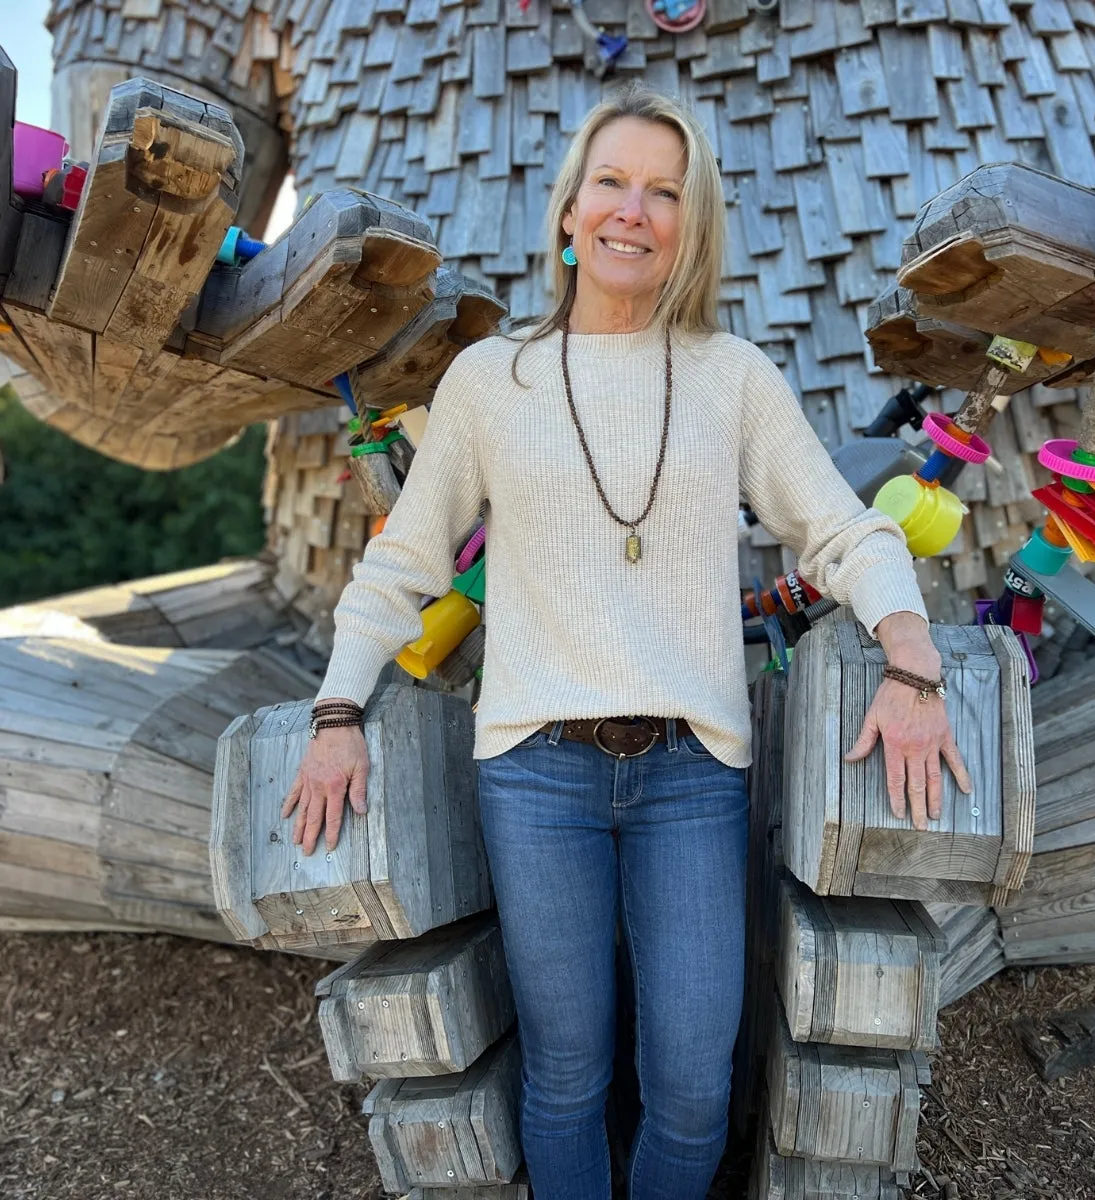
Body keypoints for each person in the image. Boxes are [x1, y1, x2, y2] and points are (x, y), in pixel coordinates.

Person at [283, 83, 971, 1200]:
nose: (632, 211)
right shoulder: (488, 381)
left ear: (689, 227)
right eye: (610, 183)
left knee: (693, 1082)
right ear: (567, 212)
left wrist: (910, 654)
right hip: (534, 774)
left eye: (664, 193)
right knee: (565, 1075)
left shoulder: (732, 377)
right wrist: (335, 712)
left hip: (694, 777)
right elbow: (401, 567)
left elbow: (844, 530)